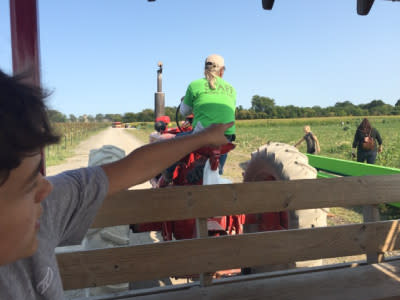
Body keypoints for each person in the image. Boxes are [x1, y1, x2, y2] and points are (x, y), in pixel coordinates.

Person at [0, 70, 232, 299]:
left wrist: (202, 137)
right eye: (29, 183)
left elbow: (131, 168)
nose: (46, 187)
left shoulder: (46, 211)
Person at [179, 54, 236, 175]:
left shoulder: (194, 85)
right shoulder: (231, 89)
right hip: (226, 136)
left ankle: (167, 176)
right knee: (219, 163)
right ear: (222, 71)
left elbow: (184, 111)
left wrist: (184, 101)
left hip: (203, 134)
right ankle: (217, 172)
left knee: (175, 141)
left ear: (205, 69)